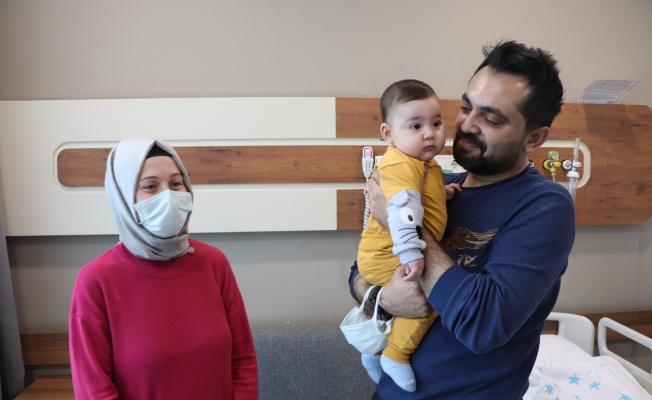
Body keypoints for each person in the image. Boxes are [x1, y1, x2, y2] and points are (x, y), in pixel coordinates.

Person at [349, 40, 575, 399]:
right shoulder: (440, 186)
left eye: (490, 118)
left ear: (534, 138)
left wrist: (404, 224)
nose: (466, 125)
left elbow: (484, 324)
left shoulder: (544, 207)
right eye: (466, 107)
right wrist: (385, 298)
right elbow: (359, 272)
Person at [69, 137, 258, 399]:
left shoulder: (214, 263)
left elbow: (242, 360)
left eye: (176, 183)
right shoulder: (96, 279)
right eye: (150, 186)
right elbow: (94, 388)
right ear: (123, 197)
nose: (168, 195)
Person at [355, 79, 459, 392]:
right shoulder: (400, 164)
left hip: (391, 252)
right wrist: (412, 253)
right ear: (388, 133)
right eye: (415, 126)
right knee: (433, 294)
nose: (429, 133)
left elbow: (421, 197)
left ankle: (375, 352)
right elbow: (402, 209)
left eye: (436, 123)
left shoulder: (422, 164)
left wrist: (443, 193)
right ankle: (395, 355)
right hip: (389, 254)